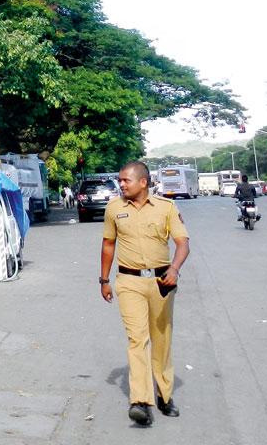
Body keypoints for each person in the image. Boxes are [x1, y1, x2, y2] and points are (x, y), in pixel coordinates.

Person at [99, 160, 190, 427]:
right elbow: (108, 244)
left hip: (161, 281)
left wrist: (174, 268)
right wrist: (104, 280)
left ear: (143, 182)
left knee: (161, 339)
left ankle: (164, 394)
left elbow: (183, 243)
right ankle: (140, 401)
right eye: (120, 180)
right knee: (136, 339)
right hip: (128, 281)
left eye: (126, 180)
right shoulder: (114, 208)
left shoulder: (167, 207)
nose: (121, 184)